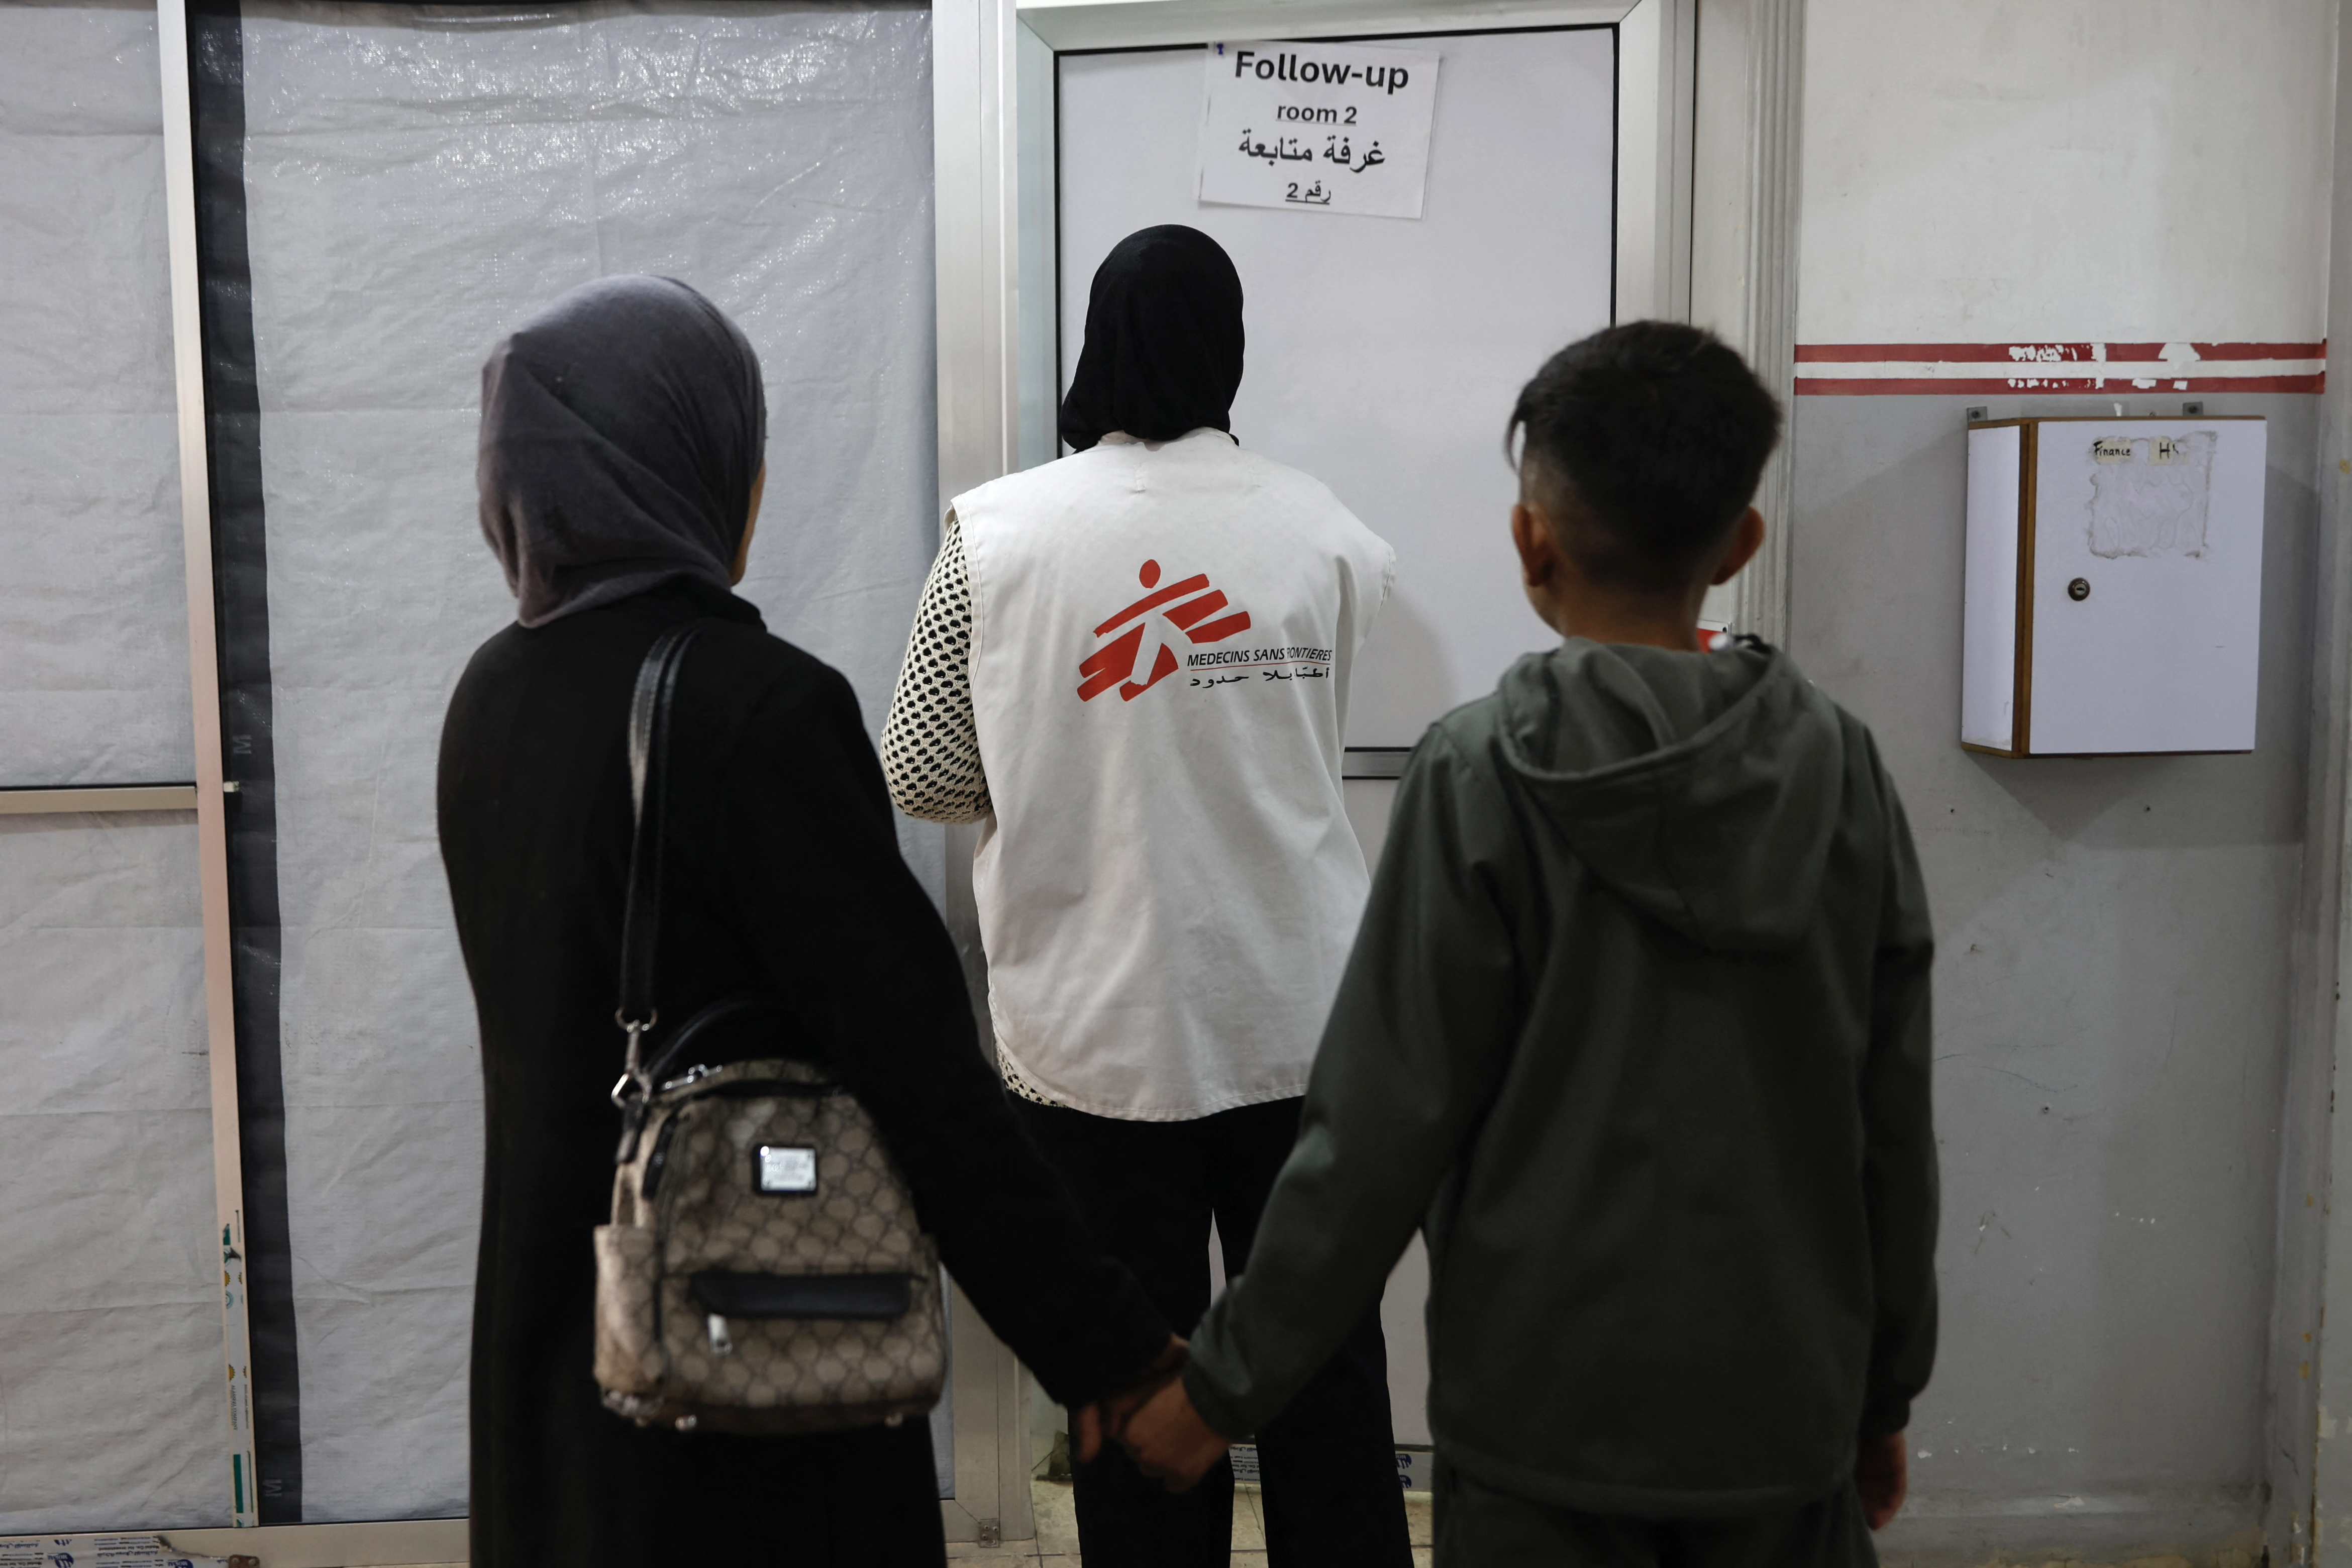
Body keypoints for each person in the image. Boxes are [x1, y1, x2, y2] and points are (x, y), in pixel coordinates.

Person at [1114, 321, 1940, 1567]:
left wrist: (1219, 1390)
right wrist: (1880, 1393)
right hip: (1781, 1429)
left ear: (1527, 541)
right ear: (1740, 545)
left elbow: (1376, 1135)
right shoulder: (1840, 767)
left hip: (1537, 1442)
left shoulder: (1480, 769)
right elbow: (1890, 1122)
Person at [437, 274, 1178, 1568]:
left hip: (558, 1380)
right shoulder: (756, 709)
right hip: (743, 1394)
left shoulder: (491, 697)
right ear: (702, 465)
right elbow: (922, 1081)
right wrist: (1107, 1350)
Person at [881, 226, 1413, 1566]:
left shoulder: (993, 538)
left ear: (1093, 346)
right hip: (1298, 1017)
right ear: (1228, 348)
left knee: (1127, 1379)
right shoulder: (1331, 532)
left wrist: (1068, 772)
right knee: (1322, 1369)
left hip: (1092, 1035)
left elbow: (923, 769)